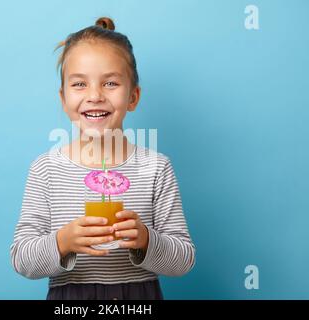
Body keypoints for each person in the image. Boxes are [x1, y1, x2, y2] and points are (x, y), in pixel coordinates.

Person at [10, 17, 196, 300]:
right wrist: (62, 242)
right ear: (63, 98)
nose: (95, 96)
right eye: (79, 84)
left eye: (110, 83)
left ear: (133, 97)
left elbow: (183, 260)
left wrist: (146, 239)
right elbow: (22, 260)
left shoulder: (156, 168)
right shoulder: (46, 169)